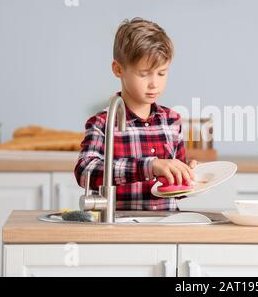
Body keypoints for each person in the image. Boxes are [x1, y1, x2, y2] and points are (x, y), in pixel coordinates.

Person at [74, 17, 197, 211]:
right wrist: (151, 166)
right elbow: (85, 172)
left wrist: (185, 174)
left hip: (165, 227)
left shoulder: (172, 121)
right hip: (121, 229)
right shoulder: (103, 122)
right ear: (118, 69)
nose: (154, 83)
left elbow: (178, 193)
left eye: (162, 73)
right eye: (144, 73)